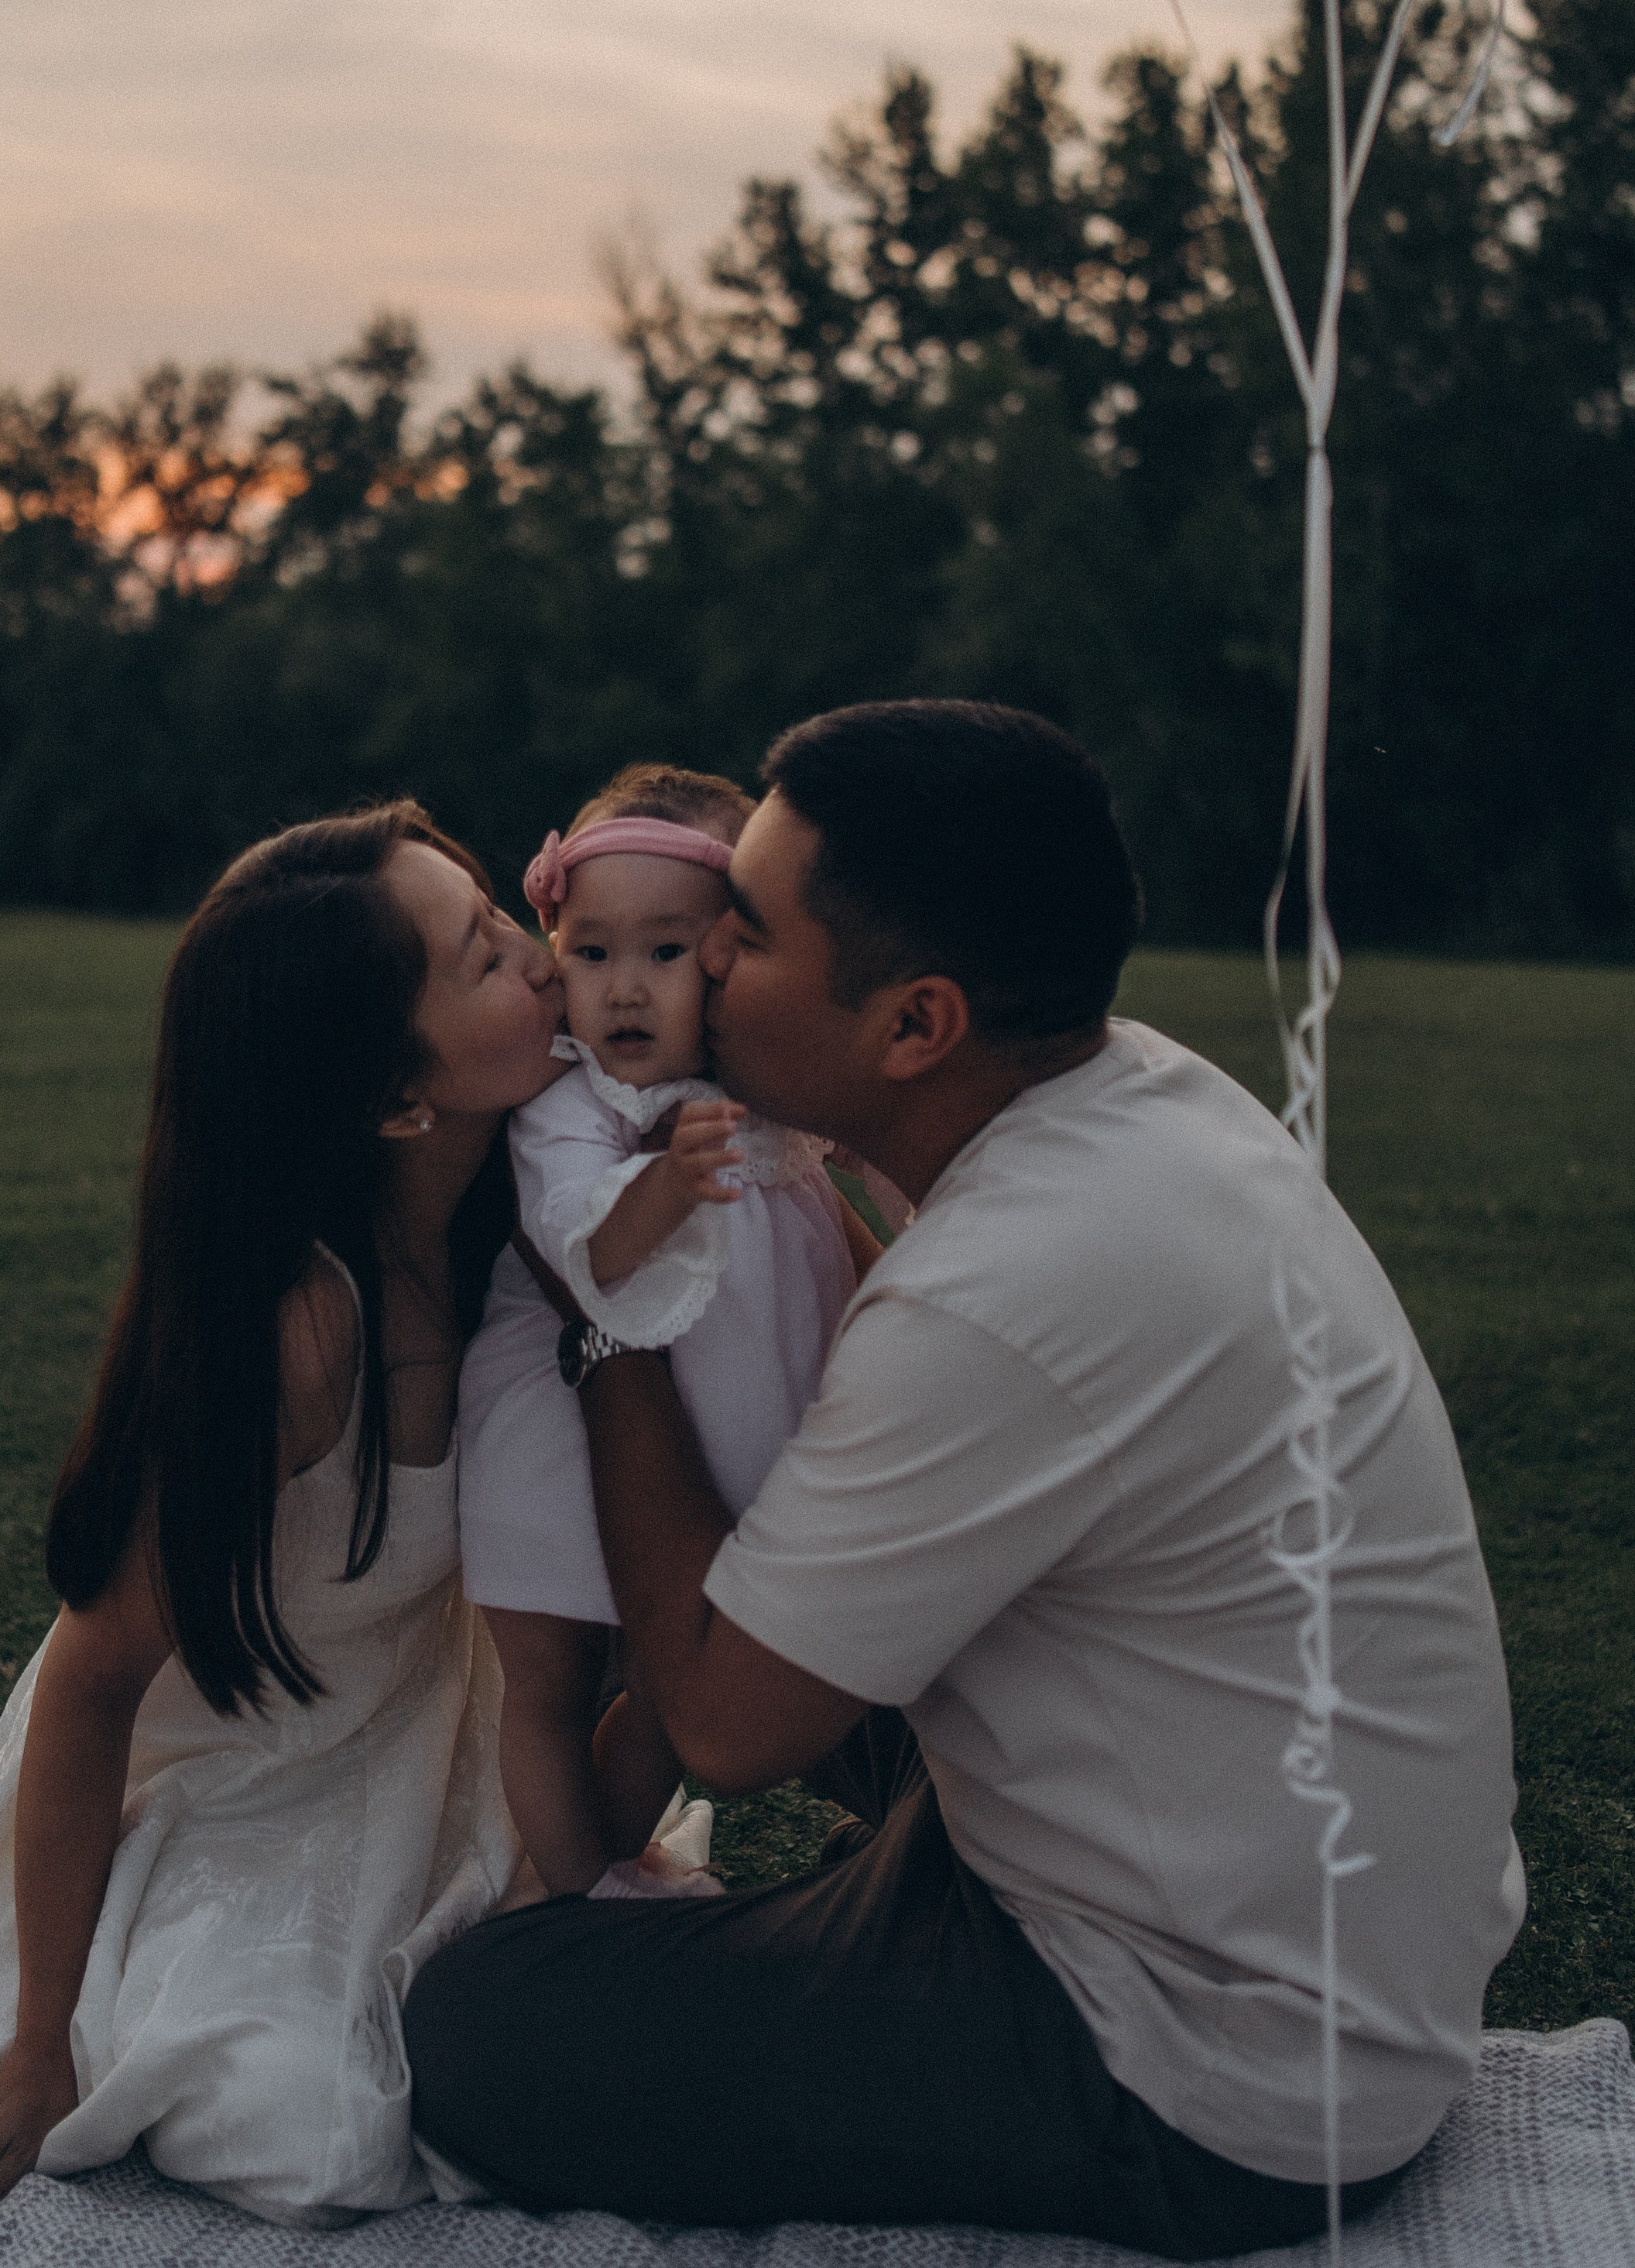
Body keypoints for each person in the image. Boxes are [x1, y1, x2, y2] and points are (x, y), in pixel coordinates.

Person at [406, 700, 1526, 2259]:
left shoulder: (1014, 1282)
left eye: (742, 929)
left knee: (477, 2026)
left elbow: (727, 1724)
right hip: (1288, 1904)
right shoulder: (1137, 1097)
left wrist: (609, 1326)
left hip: (1212, 2067)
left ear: (914, 1023)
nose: (695, 963)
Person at [0, 805, 564, 2227]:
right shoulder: (298, 1331)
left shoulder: (533, 1205)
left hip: (426, 1755)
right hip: (228, 1789)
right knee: (309, 2134)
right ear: (400, 1096)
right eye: (488, 953)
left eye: (501, 915)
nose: (543, 958)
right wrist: (39, 2055)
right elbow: (89, 1688)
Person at [458, 765, 876, 1898]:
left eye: (666, 952)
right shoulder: (577, 1103)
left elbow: (863, 1142)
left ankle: (599, 1871)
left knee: (663, 1681)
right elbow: (575, 1236)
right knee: (548, 1684)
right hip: (556, 1438)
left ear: (733, 958)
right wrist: (669, 1185)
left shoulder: (758, 1083)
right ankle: (576, 1882)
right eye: (591, 953)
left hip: (705, 1449)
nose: (625, 990)